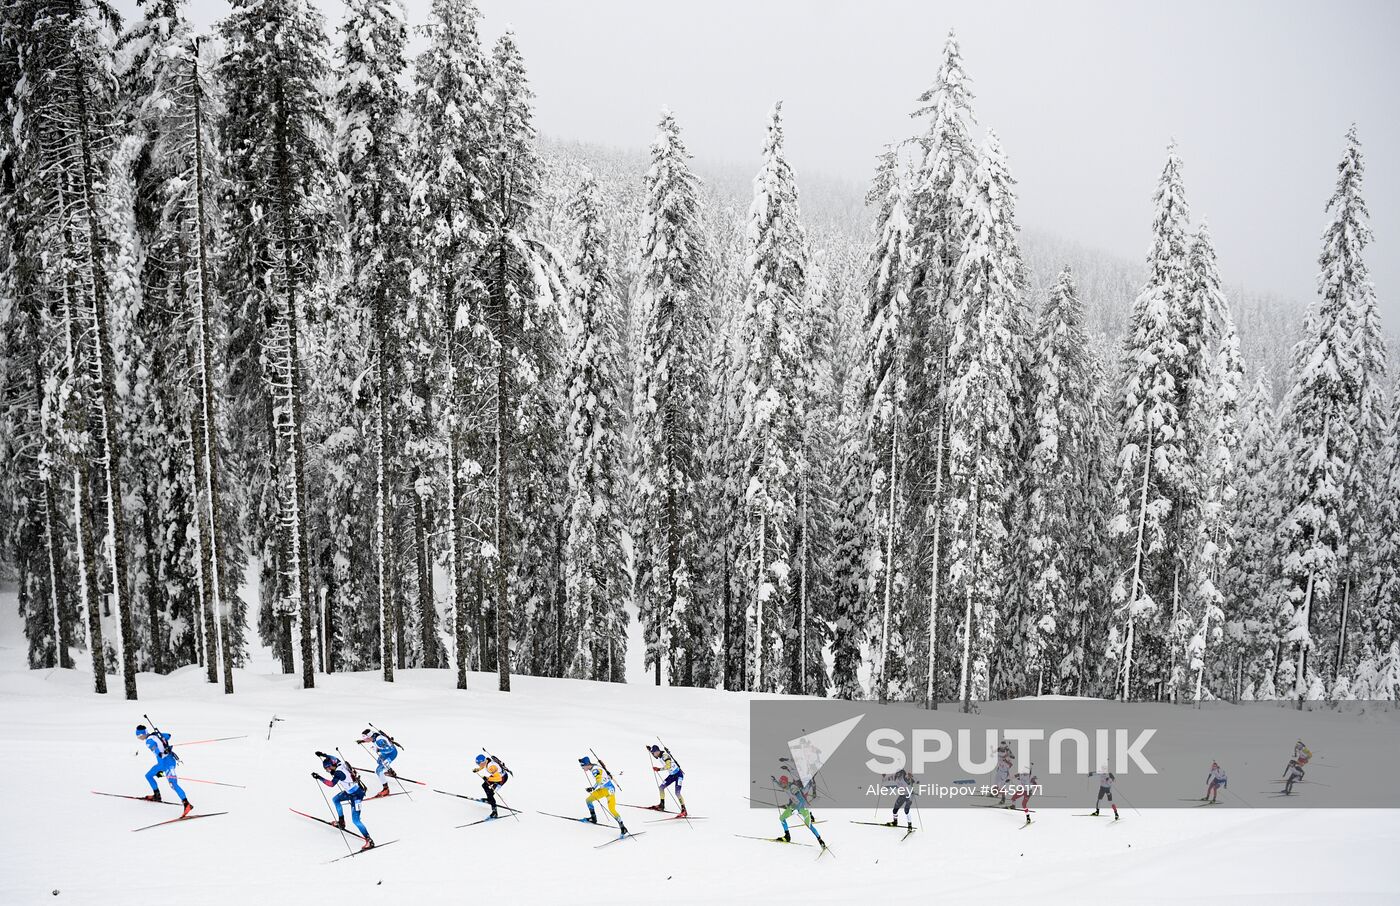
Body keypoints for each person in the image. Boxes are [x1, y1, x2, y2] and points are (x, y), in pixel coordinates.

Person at [313, 752, 374, 850]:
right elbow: (333, 758)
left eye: (327, 768)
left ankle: (369, 840)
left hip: (357, 795)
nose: (327, 771)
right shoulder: (339, 763)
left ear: (331, 766)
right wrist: (323, 755)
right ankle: (341, 822)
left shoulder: (338, 773)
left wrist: (319, 777)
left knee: (356, 820)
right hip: (350, 792)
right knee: (336, 799)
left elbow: (331, 784)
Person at [136, 724, 193, 817]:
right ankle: (157, 795)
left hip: (168, 764)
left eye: (138, 736)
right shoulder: (155, 735)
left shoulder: (149, 741)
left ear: (142, 734)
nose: (139, 738)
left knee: (173, 784)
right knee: (149, 775)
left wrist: (163, 751)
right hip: (161, 766)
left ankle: (187, 804)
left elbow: (159, 753)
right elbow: (168, 735)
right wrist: (163, 741)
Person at [772, 773, 826, 849]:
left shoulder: (793, 788)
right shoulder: (784, 785)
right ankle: (787, 836)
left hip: (803, 807)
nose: (781, 784)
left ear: (786, 782)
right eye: (781, 783)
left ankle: (820, 841)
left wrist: (797, 810)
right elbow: (781, 785)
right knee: (782, 818)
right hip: (794, 806)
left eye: (782, 782)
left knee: (809, 825)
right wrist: (775, 781)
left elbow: (801, 800)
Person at [579, 756, 629, 835]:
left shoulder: (595, 770)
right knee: (588, 800)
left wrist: (593, 788)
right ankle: (593, 818)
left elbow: (599, 780)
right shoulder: (594, 767)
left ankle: (623, 828)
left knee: (612, 809)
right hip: (603, 790)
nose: (582, 768)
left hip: (609, 790)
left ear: (587, 764)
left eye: (582, 766)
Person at [357, 728, 399, 799]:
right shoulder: (373, 735)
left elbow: (390, 749)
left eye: (366, 739)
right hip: (385, 753)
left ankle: (386, 789)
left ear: (370, 736)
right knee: (379, 761)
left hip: (391, 754)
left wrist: (378, 749)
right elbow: (369, 739)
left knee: (378, 770)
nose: (365, 740)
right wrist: (362, 741)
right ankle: (390, 771)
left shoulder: (379, 740)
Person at [648, 744, 687, 816]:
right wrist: (650, 750)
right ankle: (661, 805)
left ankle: (684, 810)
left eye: (655, 752)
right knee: (661, 787)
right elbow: (655, 756)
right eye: (653, 753)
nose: (655, 754)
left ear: (658, 751)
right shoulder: (658, 755)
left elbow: (668, 766)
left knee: (677, 792)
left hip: (678, 775)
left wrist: (659, 769)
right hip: (672, 775)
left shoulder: (665, 756)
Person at [473, 753, 509, 819]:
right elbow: (483, 766)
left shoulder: (491, 767)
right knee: (484, 785)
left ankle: (495, 812)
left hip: (502, 778)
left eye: (479, 764)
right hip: (496, 776)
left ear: (483, 762)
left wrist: (488, 778)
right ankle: (489, 799)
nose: (478, 765)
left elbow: (499, 779)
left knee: (491, 793)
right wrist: (477, 769)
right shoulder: (486, 761)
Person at [994, 740, 1014, 805]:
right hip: (999, 771)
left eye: (1003, 749)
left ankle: (1003, 799)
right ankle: (995, 793)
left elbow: (1011, 764)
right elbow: (995, 751)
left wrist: (1006, 760)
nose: (1001, 750)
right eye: (1001, 749)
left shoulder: (1008, 757)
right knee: (996, 784)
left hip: (1004, 773)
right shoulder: (999, 750)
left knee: (1002, 786)